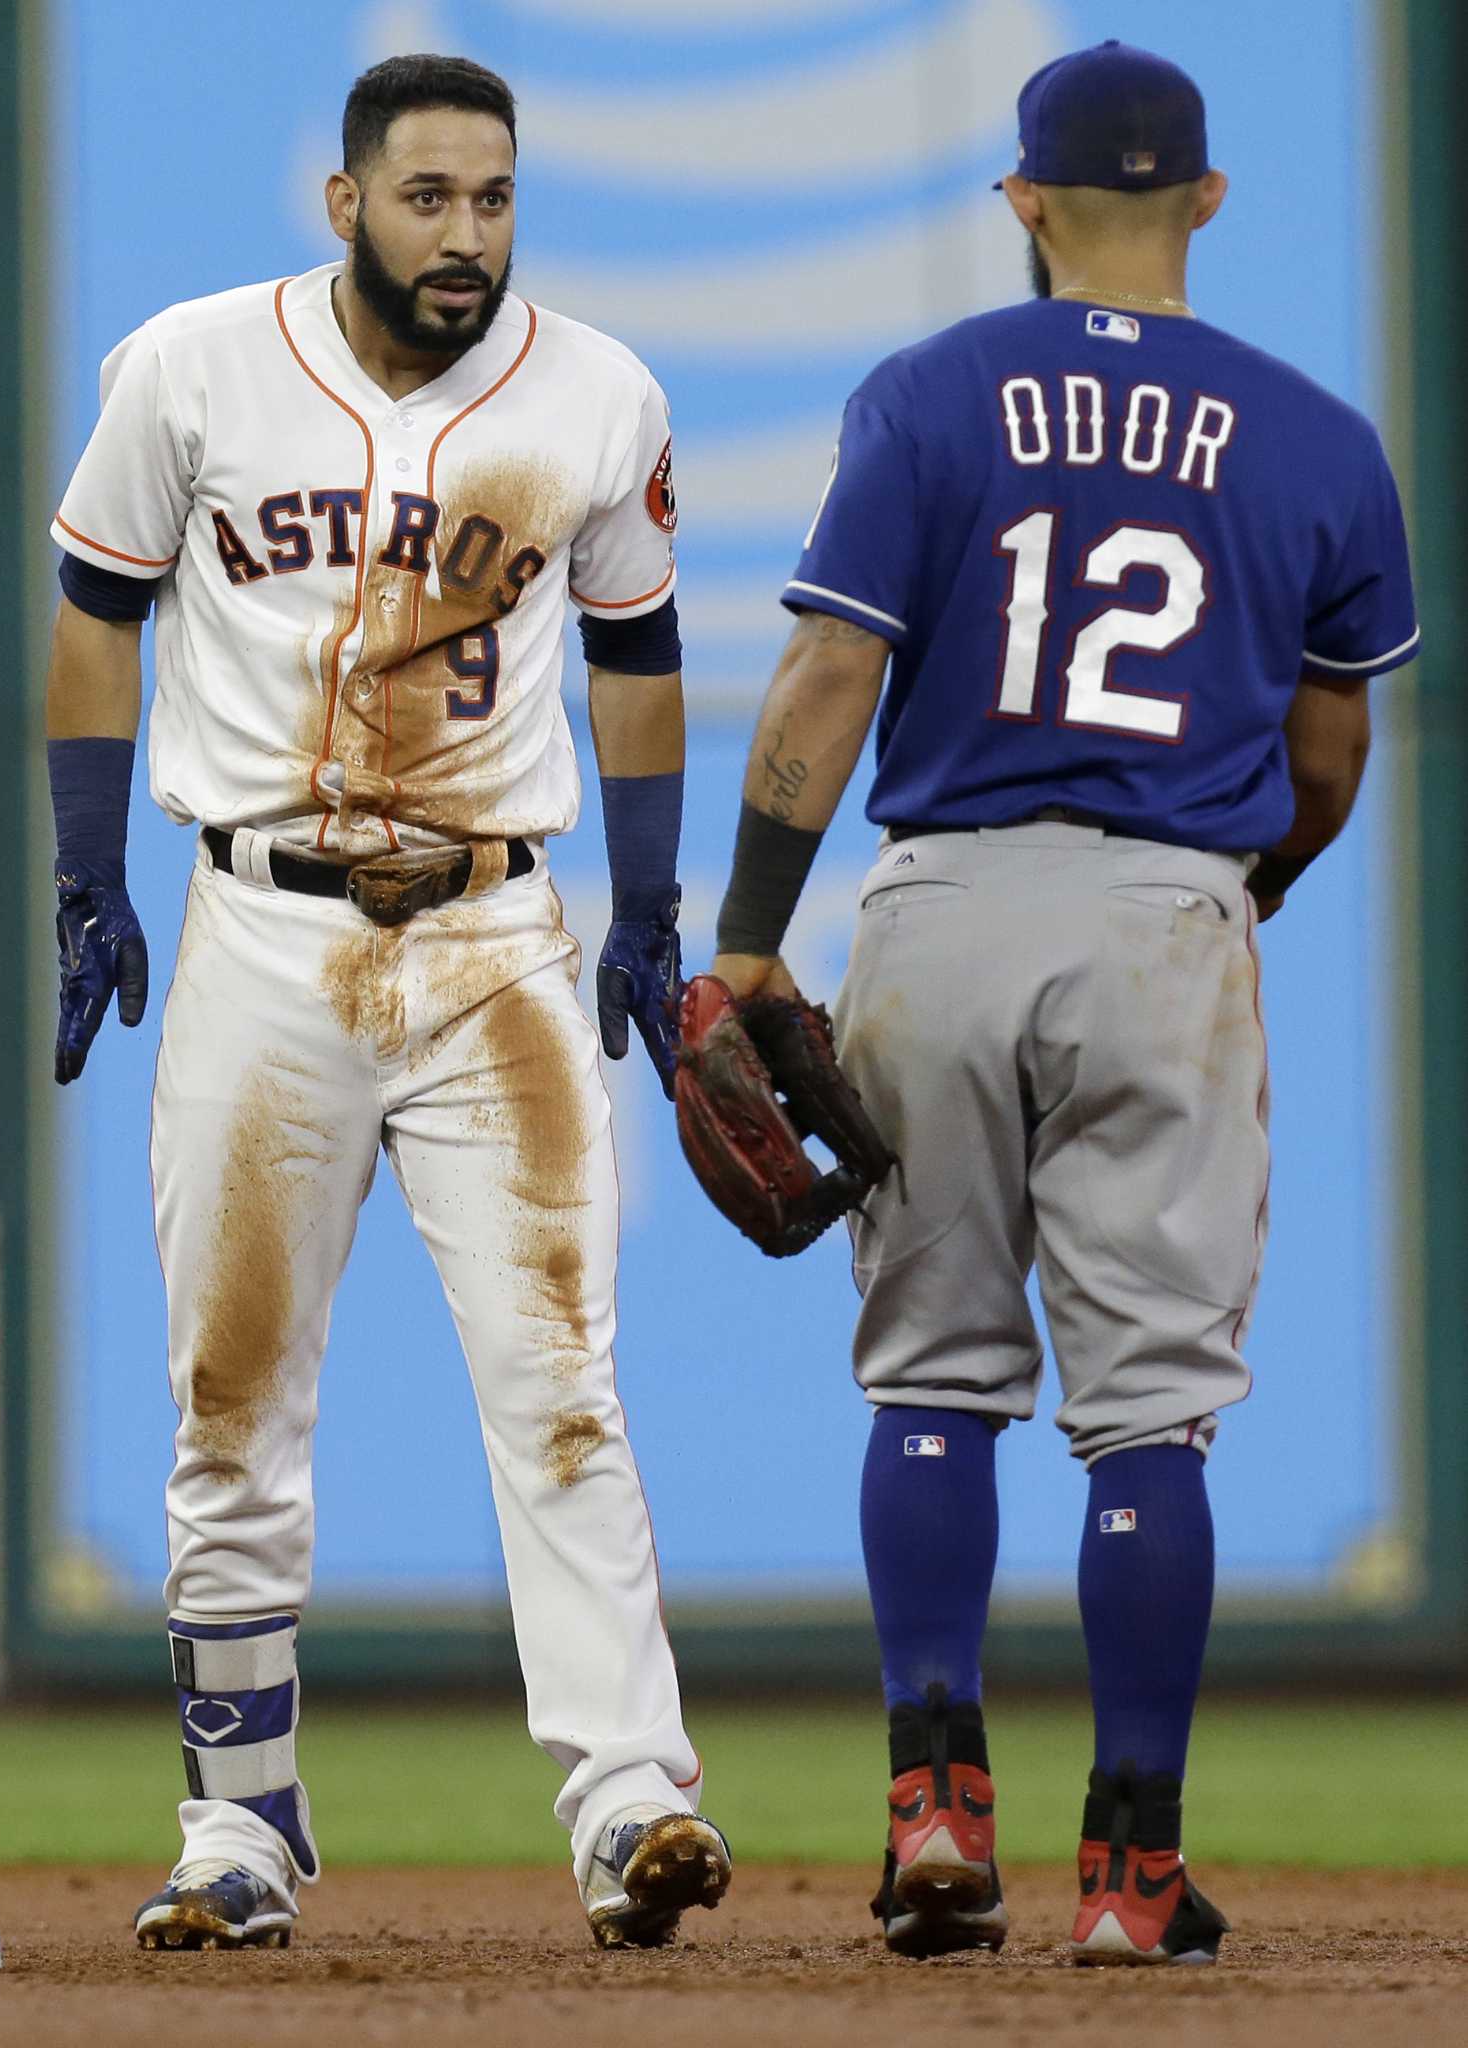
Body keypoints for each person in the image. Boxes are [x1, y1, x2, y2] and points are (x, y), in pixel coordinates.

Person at [703, 40, 1416, 1966]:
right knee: (1152, 1418)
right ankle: (1132, 1872)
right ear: (1204, 197)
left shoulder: (928, 397)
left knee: (932, 1375)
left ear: (1020, 198)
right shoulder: (1321, 438)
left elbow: (819, 697)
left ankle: (935, 1804)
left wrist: (757, 936)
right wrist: (1231, 889)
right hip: (1167, 915)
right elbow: (1330, 750)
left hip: (935, 905)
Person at [45, 52, 728, 1954]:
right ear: (345, 203)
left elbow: (640, 650)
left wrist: (652, 903)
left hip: (491, 939)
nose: (466, 235)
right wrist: (83, 869)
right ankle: (239, 1831)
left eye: (494, 199)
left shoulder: (596, 394)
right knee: (231, 1397)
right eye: (427, 198)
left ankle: (631, 1804)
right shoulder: (188, 366)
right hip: (263, 926)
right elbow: (96, 608)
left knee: (559, 1383)